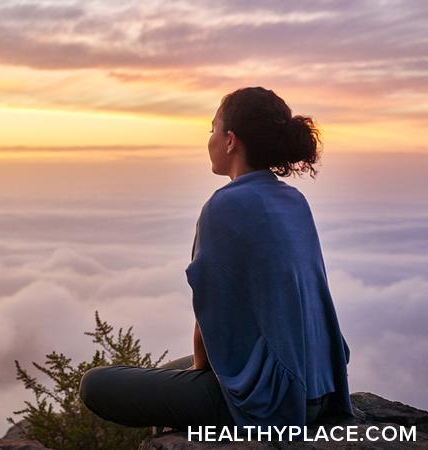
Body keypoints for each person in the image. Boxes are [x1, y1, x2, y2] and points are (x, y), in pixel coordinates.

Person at [78, 87, 355, 435]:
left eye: (212, 129)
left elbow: (210, 317)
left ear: (230, 141)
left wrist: (199, 374)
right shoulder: (293, 200)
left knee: (97, 384)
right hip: (321, 385)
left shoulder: (225, 206)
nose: (208, 139)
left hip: (277, 401)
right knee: (165, 371)